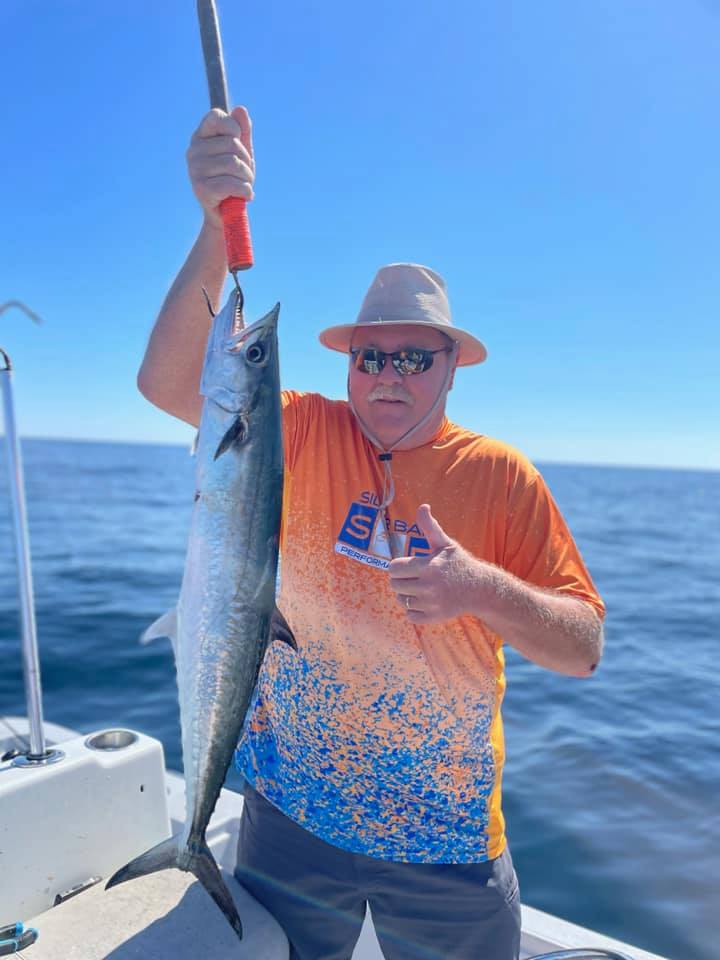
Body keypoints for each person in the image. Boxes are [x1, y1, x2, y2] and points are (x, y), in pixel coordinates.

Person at [138, 106, 605, 960]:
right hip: (287, 825)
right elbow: (169, 381)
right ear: (348, 363)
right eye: (369, 356)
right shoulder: (298, 432)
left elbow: (582, 648)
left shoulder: (501, 477)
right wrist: (214, 227)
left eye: (412, 357)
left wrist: (480, 590)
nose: (387, 375)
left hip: (447, 848)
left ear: (451, 367)